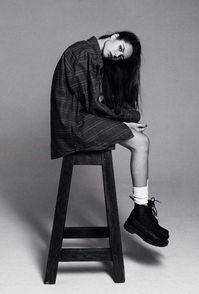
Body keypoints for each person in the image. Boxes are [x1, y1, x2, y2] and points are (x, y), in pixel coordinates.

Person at [50, 31, 169, 247]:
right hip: (73, 125)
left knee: (138, 134)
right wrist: (123, 123)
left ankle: (141, 212)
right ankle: (140, 214)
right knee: (141, 142)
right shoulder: (85, 53)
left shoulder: (93, 55)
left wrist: (126, 120)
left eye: (121, 57)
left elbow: (94, 103)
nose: (117, 56)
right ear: (115, 36)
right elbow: (93, 105)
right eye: (120, 49)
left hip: (78, 120)